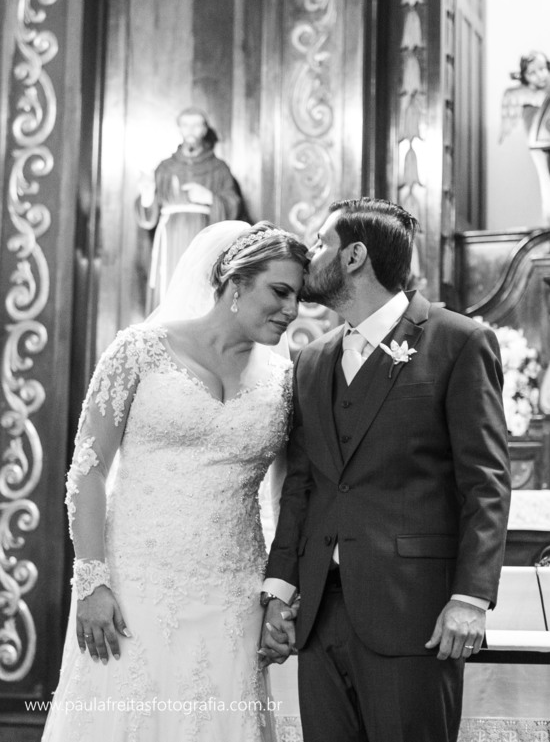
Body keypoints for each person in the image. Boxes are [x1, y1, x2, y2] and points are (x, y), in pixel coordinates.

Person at [42, 221, 309, 741]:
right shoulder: (139, 351)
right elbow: (88, 469)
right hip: (133, 587)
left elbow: (286, 495)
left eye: (298, 296)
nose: (292, 309)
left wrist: (278, 592)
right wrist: (92, 580)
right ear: (235, 282)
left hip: (234, 595)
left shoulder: (285, 381)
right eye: (280, 291)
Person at [259, 198, 511, 742]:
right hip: (319, 616)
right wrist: (278, 590)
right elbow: (301, 486)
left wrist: (470, 597)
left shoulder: (459, 341)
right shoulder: (311, 360)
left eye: (320, 243)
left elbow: (485, 483)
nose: (308, 256)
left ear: (353, 256)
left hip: (414, 611)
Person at [137, 107, 246, 314]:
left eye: (196, 125)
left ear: (205, 130)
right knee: (169, 288)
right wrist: (147, 193)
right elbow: (148, 217)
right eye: (186, 125)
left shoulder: (218, 168)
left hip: (202, 236)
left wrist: (210, 198)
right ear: (179, 128)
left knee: (199, 290)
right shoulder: (165, 167)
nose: (191, 131)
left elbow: (234, 205)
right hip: (170, 238)